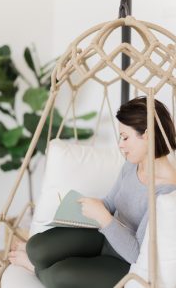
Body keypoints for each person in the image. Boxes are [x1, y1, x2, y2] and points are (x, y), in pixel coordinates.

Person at [9, 96, 176, 288]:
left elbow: (136, 254)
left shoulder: (166, 192)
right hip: (103, 237)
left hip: (124, 262)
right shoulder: (134, 165)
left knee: (58, 276)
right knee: (36, 248)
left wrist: (103, 217)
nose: (121, 144)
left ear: (146, 135)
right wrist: (82, 208)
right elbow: (110, 204)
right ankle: (36, 261)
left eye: (125, 137)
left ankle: (34, 268)